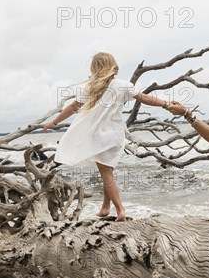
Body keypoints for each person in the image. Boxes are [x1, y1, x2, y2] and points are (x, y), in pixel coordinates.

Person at [43, 52, 172, 222]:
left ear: (95, 68)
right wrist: (166, 104)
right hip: (116, 136)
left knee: (106, 174)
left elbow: (73, 107)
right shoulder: (123, 86)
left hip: (98, 137)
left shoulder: (90, 87)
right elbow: (144, 98)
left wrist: (54, 122)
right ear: (113, 65)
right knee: (108, 171)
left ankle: (120, 211)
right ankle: (105, 207)